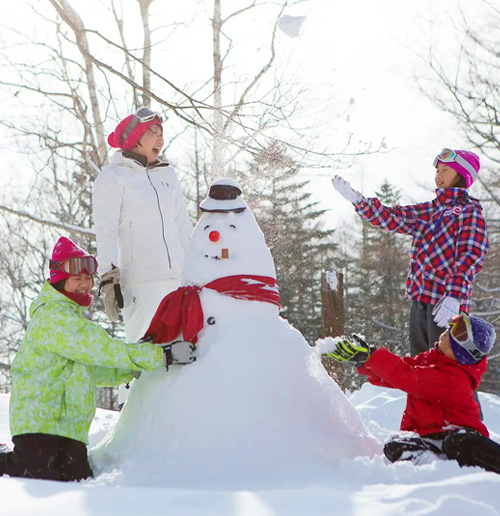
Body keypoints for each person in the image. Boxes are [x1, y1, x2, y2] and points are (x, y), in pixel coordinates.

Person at [0, 236, 194, 482]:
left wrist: (130, 370)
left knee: (75, 478)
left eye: (87, 278)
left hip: (71, 428)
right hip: (39, 421)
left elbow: (90, 369)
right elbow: (102, 349)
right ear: (60, 281)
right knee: (35, 475)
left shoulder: (72, 319)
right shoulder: (53, 316)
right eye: (76, 279)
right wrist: (158, 355)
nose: (84, 284)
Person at [332, 149, 489, 356]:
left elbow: (470, 256)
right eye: (437, 170)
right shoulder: (429, 211)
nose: (438, 175)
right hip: (420, 299)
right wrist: (359, 201)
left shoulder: (469, 212)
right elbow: (391, 217)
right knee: (421, 361)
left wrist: (454, 296)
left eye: (445, 170)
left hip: (446, 304)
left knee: (448, 364)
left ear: (461, 176)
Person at [92, 107, 193, 404]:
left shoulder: (167, 175)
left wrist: (200, 266)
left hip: (178, 280)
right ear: (135, 138)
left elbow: (183, 227)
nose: (160, 138)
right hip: (141, 283)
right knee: (141, 353)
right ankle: (130, 417)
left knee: (182, 354)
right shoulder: (112, 178)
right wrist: (108, 277)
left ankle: (178, 422)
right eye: (153, 132)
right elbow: (106, 230)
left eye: (162, 133)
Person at [325, 313, 500, 473]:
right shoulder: (432, 359)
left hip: (459, 434)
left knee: (460, 444)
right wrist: (365, 362)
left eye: (459, 332)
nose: (449, 330)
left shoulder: (455, 379)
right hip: (428, 439)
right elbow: (398, 371)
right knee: (395, 446)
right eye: (454, 324)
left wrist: (372, 357)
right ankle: (431, 466)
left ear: (464, 351)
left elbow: (408, 377)